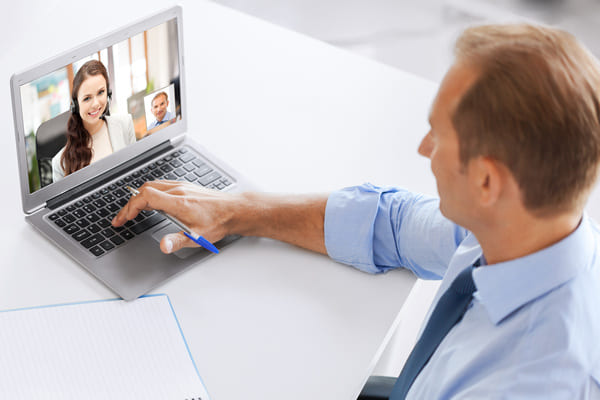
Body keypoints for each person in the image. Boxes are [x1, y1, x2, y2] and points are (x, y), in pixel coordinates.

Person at [113, 24, 600, 398]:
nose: (423, 148)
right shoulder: (526, 223)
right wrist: (240, 211)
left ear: (487, 181)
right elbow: (392, 224)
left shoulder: (536, 379)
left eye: (439, 135)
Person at [52, 60, 135, 182]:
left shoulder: (125, 124)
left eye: (101, 92)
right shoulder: (60, 163)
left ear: (108, 93)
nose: (96, 104)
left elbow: (136, 172)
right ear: (76, 105)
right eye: (87, 98)